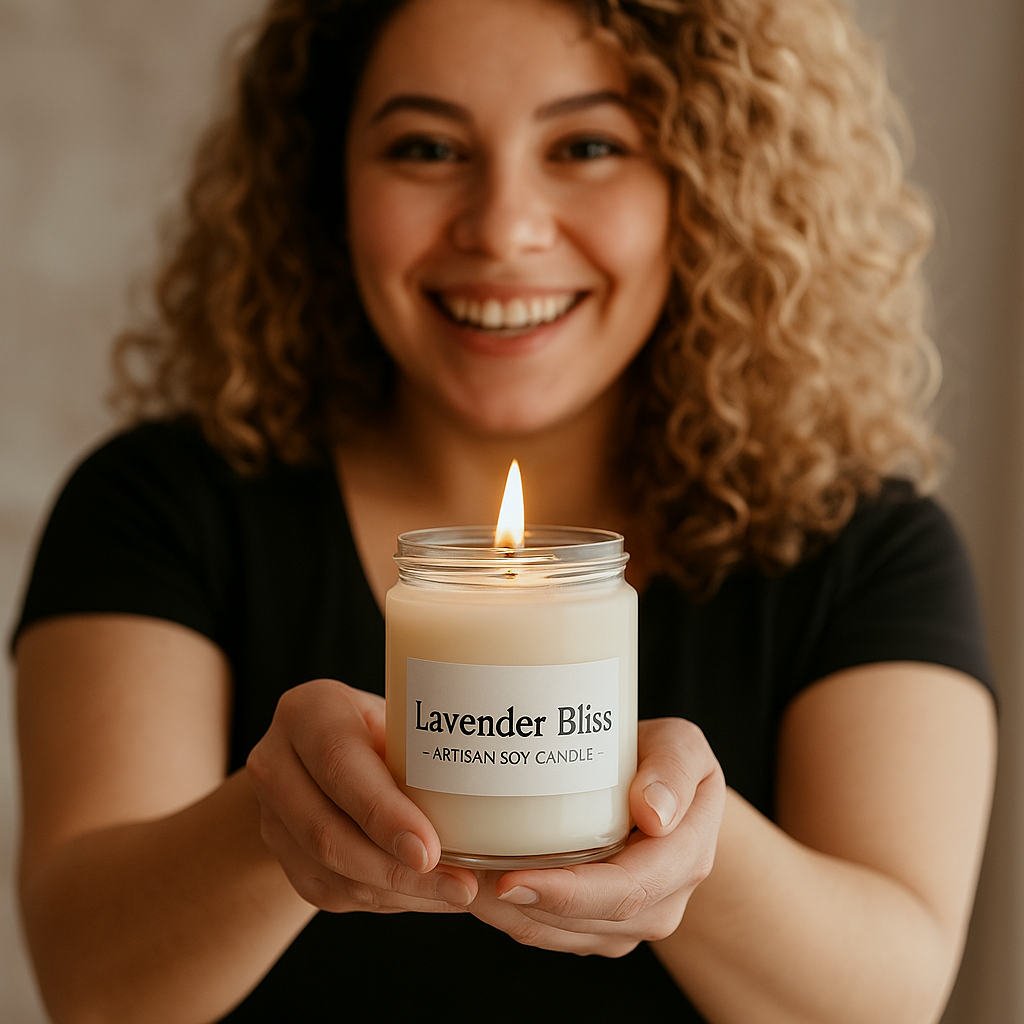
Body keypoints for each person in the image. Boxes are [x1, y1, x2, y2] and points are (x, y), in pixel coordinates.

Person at [12, 0, 997, 1021]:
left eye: (586, 144)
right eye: (428, 147)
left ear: (708, 185)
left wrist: (688, 842)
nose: (503, 227)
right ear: (324, 182)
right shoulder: (159, 507)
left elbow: (890, 1000)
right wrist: (268, 821)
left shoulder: (865, 547)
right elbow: (95, 988)